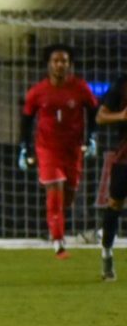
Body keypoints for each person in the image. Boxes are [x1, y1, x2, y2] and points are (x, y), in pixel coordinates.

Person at [18, 45, 98, 258]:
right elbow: (26, 121)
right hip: (47, 148)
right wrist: (24, 148)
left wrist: (92, 138)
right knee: (54, 191)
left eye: (64, 61)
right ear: (49, 64)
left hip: (72, 149)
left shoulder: (80, 88)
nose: (60, 64)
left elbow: (93, 112)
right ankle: (58, 243)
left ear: (70, 64)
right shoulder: (37, 92)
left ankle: (56, 225)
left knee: (68, 197)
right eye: (56, 61)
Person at [95, 74, 127, 281]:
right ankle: (107, 253)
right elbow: (100, 116)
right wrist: (122, 116)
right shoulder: (122, 85)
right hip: (125, 158)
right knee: (115, 205)